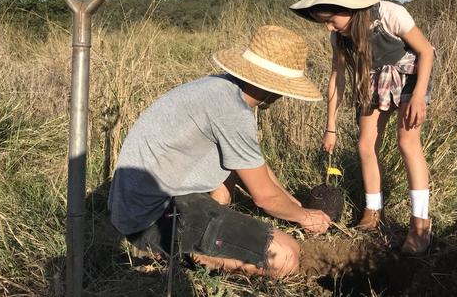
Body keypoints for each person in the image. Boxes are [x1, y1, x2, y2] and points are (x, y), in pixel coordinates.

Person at [108, 25, 332, 277]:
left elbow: (251, 159)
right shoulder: (233, 110)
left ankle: (200, 238)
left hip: (142, 204)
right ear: (276, 88)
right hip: (150, 219)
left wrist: (289, 200)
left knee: (228, 185)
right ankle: (175, 254)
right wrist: (304, 217)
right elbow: (264, 197)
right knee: (285, 257)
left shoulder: (221, 88)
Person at [290, 0, 435, 254]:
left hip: (409, 76)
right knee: (365, 145)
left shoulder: (390, 14)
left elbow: (425, 51)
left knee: (407, 142)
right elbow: (337, 76)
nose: (329, 27)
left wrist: (418, 95)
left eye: (331, 19)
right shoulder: (338, 37)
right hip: (372, 79)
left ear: (351, 7)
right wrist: (330, 126)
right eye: (324, 22)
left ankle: (420, 223)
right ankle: (372, 211)